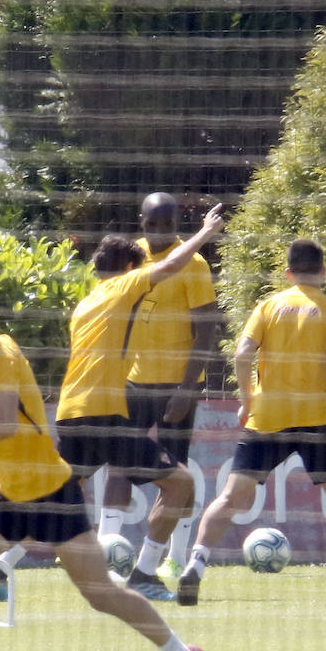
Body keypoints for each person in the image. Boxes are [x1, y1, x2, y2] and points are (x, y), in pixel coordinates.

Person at [0, 285, 218, 651]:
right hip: (6, 493)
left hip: (52, 494)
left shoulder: (0, 355)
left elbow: (1, 423)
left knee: (102, 596)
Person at [0, 204, 227, 603]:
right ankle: (145, 574)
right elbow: (173, 263)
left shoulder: (87, 302)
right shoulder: (122, 288)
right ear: (129, 269)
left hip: (72, 412)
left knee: (58, 498)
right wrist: (204, 233)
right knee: (181, 483)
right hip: (103, 413)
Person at [178, 239, 326, 607]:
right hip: (317, 420)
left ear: (288, 273)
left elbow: (243, 353)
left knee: (231, 497)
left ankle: (195, 566)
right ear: (324, 272)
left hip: (267, 416)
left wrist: (247, 399)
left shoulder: (268, 306)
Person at [104, 192, 221, 583]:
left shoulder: (195, 263)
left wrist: (188, 389)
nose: (158, 234)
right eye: (152, 226)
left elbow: (206, 331)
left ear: (176, 226)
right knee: (118, 465)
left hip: (177, 385)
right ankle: (108, 552)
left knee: (176, 474)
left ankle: (174, 555)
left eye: (166, 227)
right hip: (135, 382)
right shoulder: (132, 257)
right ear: (141, 222)